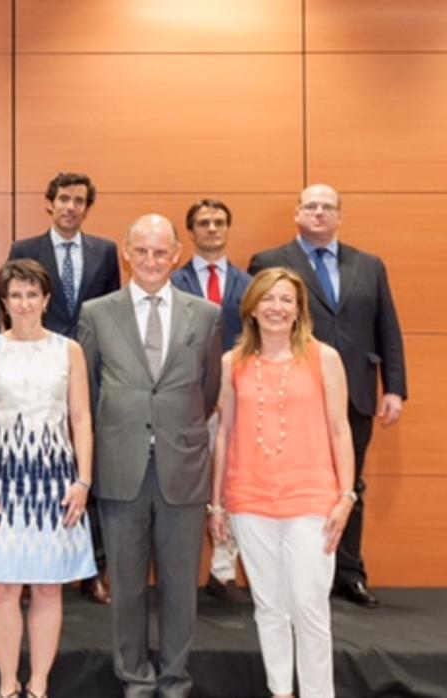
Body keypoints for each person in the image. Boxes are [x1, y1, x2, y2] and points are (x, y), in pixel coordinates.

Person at [77, 214, 223, 697]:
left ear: (176, 255)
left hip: (182, 467)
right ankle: (135, 679)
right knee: (128, 586)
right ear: (126, 251)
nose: (151, 261)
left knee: (181, 586)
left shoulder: (204, 314)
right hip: (122, 468)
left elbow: (209, 388)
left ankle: (175, 680)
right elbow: (86, 389)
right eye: (141, 251)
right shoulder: (97, 313)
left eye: (161, 252)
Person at [248, 183, 407, 609]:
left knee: (348, 483)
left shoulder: (369, 265)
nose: (319, 213)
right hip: (288, 392)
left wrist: (394, 387)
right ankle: (287, 573)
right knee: (286, 482)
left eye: (327, 207)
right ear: (297, 213)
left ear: (340, 215)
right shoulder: (269, 261)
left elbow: (387, 327)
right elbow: (249, 325)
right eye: (311, 206)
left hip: (354, 390)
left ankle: (348, 574)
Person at [209, 267, 356, 698]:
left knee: (308, 608)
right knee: (269, 607)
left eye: (286, 300)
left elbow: (340, 430)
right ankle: (280, 691)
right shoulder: (231, 362)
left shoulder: (323, 357)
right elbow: (223, 433)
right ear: (251, 309)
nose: (276, 308)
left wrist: (346, 495)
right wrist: (216, 504)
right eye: (267, 299)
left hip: (312, 500)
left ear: (298, 310)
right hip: (249, 498)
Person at [0, 259, 95, 698]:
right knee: (2, 586)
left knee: (47, 586)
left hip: (56, 482)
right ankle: (8, 683)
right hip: (2, 481)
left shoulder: (69, 350)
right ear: (4, 302)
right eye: (15, 295)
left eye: (31, 294)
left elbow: (81, 418)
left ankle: (38, 684)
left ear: (45, 299)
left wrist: (83, 480)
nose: (24, 303)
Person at [7, 172, 120, 605]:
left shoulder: (105, 251)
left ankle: (92, 569)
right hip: (36, 369)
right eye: (64, 199)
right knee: (34, 464)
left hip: (88, 366)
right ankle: (26, 568)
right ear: (49, 203)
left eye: (79, 201)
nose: (71, 207)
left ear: (87, 207)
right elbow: (14, 307)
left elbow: (110, 310)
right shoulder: (25, 249)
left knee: (88, 466)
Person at [170, 199, 253, 604]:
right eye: (203, 222)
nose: (212, 228)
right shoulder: (174, 282)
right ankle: (182, 568)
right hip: (188, 398)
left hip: (237, 400)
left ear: (228, 228)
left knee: (231, 482)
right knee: (190, 483)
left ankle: (224, 570)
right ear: (191, 232)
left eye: (219, 221)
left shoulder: (249, 283)